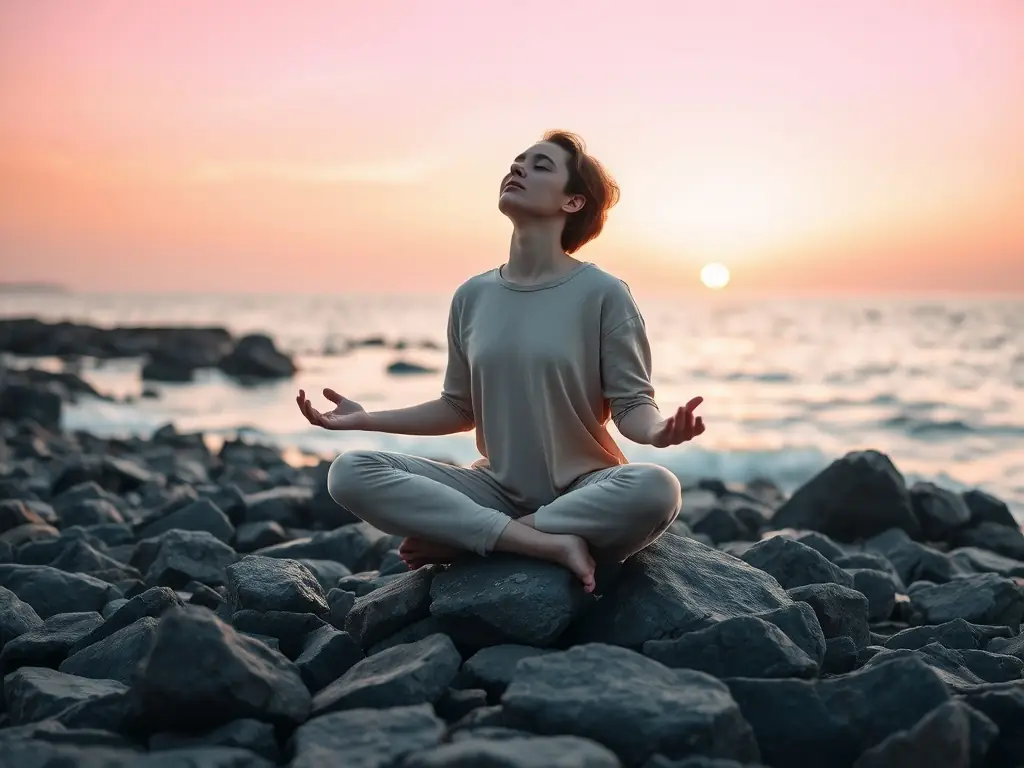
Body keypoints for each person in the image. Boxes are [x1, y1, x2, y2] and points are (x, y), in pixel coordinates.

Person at [296, 130, 705, 593]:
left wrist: (659, 431)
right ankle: (538, 542)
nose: (518, 169)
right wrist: (366, 419)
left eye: (540, 166)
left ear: (572, 202)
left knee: (657, 489)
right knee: (350, 472)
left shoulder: (603, 293)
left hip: (582, 491)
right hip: (491, 491)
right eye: (517, 162)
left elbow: (631, 405)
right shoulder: (473, 295)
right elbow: (458, 407)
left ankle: (477, 538)